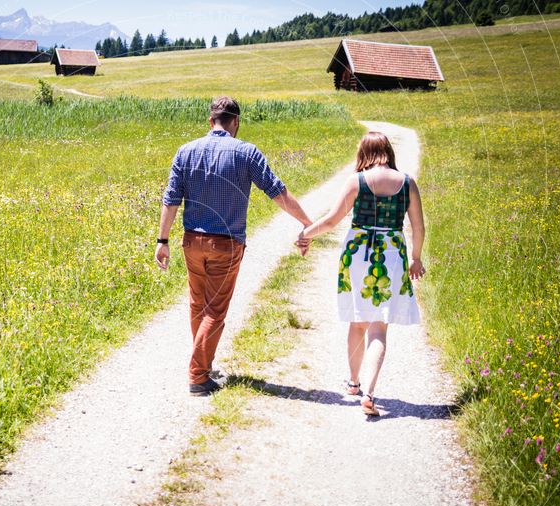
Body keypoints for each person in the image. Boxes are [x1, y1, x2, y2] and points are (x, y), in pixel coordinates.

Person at [156, 96, 313, 396]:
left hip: (192, 241)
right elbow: (277, 191)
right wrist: (306, 222)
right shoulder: (246, 152)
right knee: (214, 310)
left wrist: (162, 241)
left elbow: (171, 199)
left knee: (197, 304)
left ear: (210, 121)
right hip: (226, 244)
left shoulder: (185, 151)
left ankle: (205, 362)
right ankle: (198, 375)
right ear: (236, 122)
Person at [296, 131, 425, 415]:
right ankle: (369, 391)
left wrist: (305, 233)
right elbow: (417, 227)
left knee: (357, 321)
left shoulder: (357, 181)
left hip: (358, 253)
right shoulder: (407, 183)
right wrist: (415, 259)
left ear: (363, 153)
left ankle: (353, 383)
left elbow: (331, 220)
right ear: (389, 152)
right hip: (392, 252)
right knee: (379, 326)